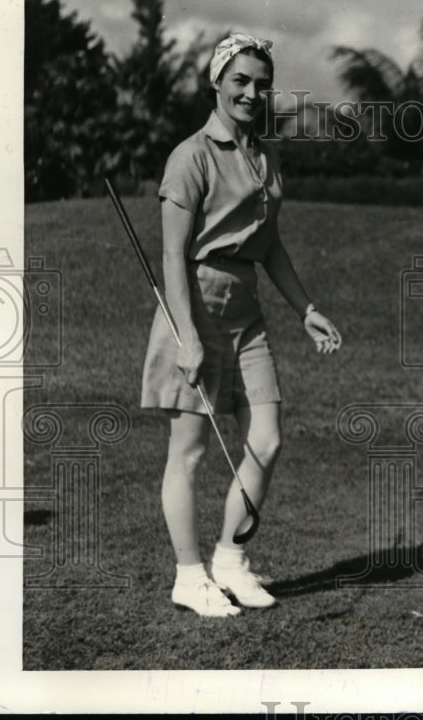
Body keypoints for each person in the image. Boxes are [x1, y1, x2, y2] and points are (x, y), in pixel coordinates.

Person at [140, 33, 342, 617]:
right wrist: (187, 336)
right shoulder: (192, 156)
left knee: (267, 437)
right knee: (191, 450)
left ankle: (230, 558)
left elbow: (269, 243)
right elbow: (173, 256)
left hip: (246, 311)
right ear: (217, 83)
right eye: (241, 82)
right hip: (195, 305)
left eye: (262, 85)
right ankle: (188, 575)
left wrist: (305, 308)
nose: (252, 93)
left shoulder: (264, 155)